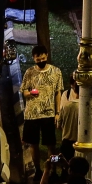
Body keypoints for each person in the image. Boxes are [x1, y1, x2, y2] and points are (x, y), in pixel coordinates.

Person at [22, 44, 64, 173]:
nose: (41, 61)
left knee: (51, 145)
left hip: (48, 113)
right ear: (34, 58)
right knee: (33, 144)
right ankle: (38, 171)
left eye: (43, 58)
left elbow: (58, 93)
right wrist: (31, 93)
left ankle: (51, 171)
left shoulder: (56, 72)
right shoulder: (29, 72)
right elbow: (24, 92)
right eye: (38, 59)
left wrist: (57, 112)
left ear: (47, 56)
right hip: (32, 113)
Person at [59, 74, 80, 159]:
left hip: (67, 139)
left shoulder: (66, 106)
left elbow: (59, 123)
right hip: (80, 140)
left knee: (67, 166)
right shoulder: (66, 94)